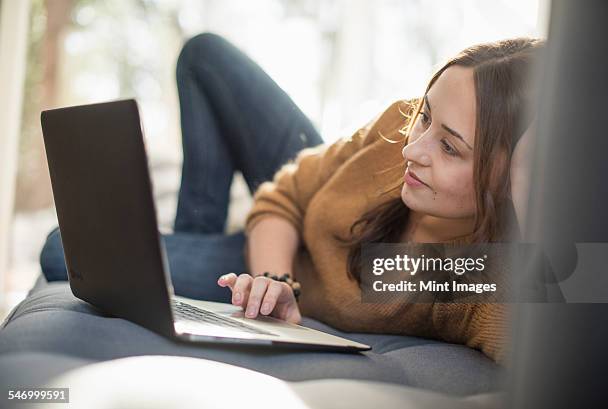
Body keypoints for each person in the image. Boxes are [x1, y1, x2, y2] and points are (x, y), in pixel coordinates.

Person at [40, 33, 543, 364]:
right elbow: (282, 196)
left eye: (450, 146)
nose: (412, 149)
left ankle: (192, 241)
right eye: (425, 116)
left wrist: (539, 193)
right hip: (297, 234)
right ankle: (196, 229)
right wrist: (274, 279)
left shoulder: (475, 271)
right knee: (205, 55)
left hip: (300, 253)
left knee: (64, 249)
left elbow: (569, 337)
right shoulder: (398, 130)